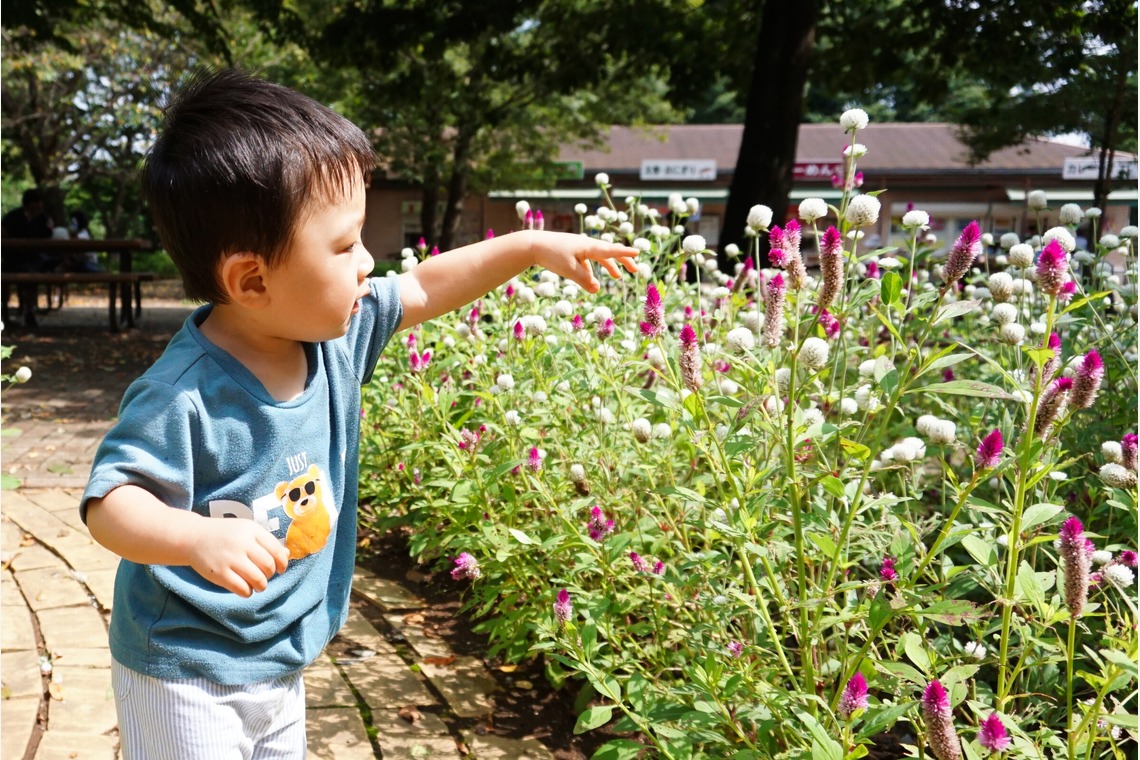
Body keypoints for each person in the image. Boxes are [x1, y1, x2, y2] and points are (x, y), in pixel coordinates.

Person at [79, 68, 637, 759]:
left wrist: (529, 247)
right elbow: (111, 503)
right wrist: (193, 540)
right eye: (344, 246)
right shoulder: (185, 393)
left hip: (279, 654)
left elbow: (427, 283)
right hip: (186, 665)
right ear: (252, 280)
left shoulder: (336, 335)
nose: (368, 262)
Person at [1, 187, 54, 326]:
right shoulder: (13, 217)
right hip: (12, 259)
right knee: (7, 278)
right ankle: (5, 314)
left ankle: (29, 311)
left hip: (34, 259)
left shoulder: (44, 219)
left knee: (32, 276)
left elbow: (48, 236)